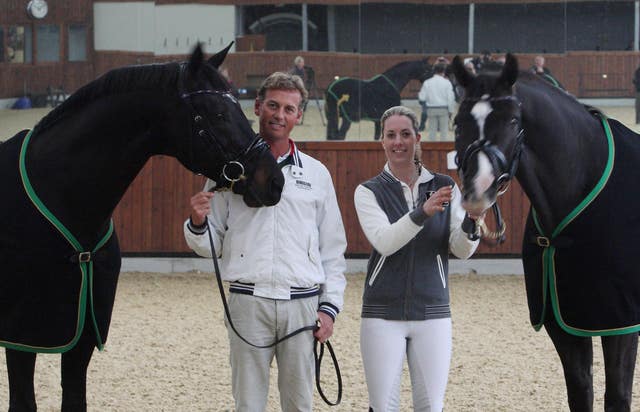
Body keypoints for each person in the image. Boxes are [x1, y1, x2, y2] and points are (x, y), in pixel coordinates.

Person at [184, 72, 347, 412]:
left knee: (300, 405)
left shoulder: (317, 174)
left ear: (299, 116)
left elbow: (332, 249)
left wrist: (329, 308)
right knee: (248, 404)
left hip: (301, 306)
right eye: (273, 105)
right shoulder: (227, 171)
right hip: (247, 303)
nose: (279, 114)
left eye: (289, 108)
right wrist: (198, 222)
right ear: (257, 107)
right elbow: (210, 244)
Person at [354, 105, 480, 412]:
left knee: (430, 406)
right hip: (382, 312)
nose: (399, 142)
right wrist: (422, 212)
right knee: (383, 406)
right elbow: (385, 242)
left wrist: (472, 222)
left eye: (405, 134)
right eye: (391, 135)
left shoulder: (445, 186)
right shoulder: (367, 191)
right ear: (382, 141)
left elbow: (461, 250)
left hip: (433, 310)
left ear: (417, 138)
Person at [417, 64, 456, 141]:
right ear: (443, 72)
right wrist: (451, 110)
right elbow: (450, 98)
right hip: (443, 109)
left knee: (432, 132)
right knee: (444, 132)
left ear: (434, 71)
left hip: (431, 109)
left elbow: (422, 97)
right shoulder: (447, 82)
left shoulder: (427, 82)